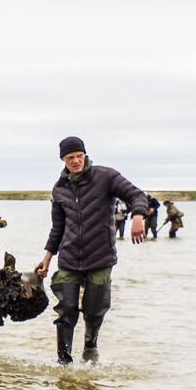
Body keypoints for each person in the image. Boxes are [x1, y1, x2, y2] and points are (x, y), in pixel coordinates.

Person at [35, 136, 147, 364]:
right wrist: (47, 258)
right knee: (66, 309)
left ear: (85, 155)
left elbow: (136, 195)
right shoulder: (59, 189)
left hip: (100, 257)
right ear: (62, 160)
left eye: (79, 156)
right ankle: (63, 360)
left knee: (94, 311)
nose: (75, 161)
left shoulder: (106, 177)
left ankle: (90, 344)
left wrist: (138, 216)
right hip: (68, 258)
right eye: (70, 158)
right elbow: (58, 228)